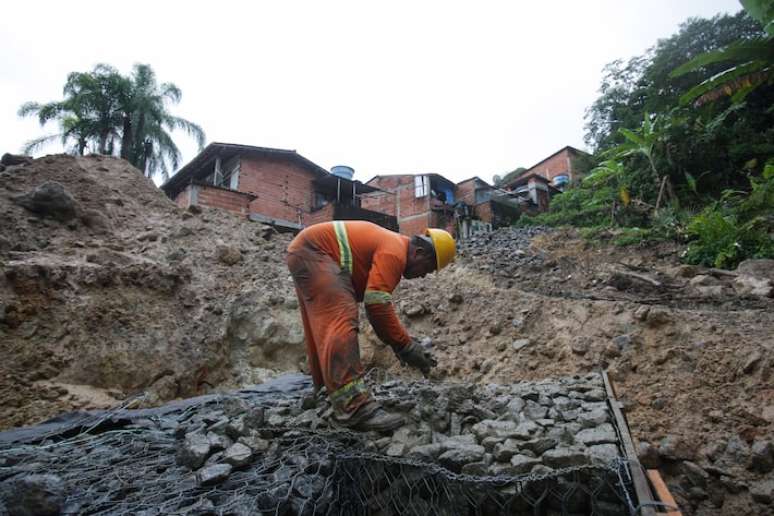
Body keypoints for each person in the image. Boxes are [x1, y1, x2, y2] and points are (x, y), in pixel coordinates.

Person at [286, 220, 456, 432]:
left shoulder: (393, 246)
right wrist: (405, 346)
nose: (423, 275)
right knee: (341, 320)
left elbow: (377, 305)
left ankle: (325, 392)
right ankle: (354, 408)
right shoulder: (394, 252)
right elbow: (377, 306)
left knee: (322, 326)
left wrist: (403, 343)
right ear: (419, 252)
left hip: (307, 251)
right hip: (315, 251)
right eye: (428, 269)